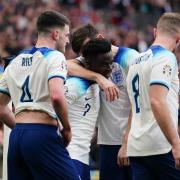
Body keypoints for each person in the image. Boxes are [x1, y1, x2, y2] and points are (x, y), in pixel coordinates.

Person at [0, 10, 80, 180]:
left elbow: (0, 106)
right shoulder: (55, 57)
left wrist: (22, 128)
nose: (67, 40)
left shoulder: (14, 61)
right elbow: (57, 96)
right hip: (42, 134)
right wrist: (66, 128)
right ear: (56, 34)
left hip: (17, 137)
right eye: (66, 35)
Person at [68, 23, 139, 180]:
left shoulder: (130, 57)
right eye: (83, 55)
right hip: (106, 143)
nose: (87, 58)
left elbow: (138, 103)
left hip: (132, 142)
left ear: (100, 38)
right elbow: (64, 65)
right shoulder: (91, 61)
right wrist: (98, 77)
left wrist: (126, 143)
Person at [124, 12, 180, 180]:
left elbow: (141, 101)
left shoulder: (135, 60)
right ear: (178, 39)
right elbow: (156, 101)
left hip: (137, 146)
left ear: (155, 32)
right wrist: (176, 143)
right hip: (160, 145)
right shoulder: (166, 57)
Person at [66, 38, 113, 180]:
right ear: (88, 62)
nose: (110, 68)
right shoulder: (75, 85)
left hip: (82, 157)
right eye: (104, 64)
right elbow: (50, 112)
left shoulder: (95, 83)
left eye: (110, 63)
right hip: (70, 156)